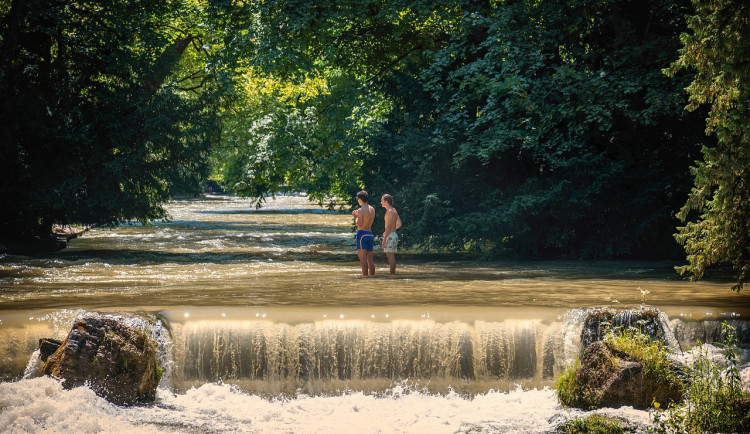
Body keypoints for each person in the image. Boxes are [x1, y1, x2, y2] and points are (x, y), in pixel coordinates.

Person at [352, 190, 375, 276]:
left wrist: (355, 217)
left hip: (362, 234)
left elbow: (359, 223)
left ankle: (365, 279)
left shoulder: (361, 210)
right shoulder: (372, 209)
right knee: (370, 260)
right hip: (370, 233)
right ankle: (372, 278)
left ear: (360, 199)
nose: (357, 200)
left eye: (358, 198)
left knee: (363, 259)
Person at [380, 193, 402, 275]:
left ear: (386, 201)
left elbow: (388, 227)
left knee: (390, 258)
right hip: (394, 235)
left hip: (390, 236)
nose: (381, 202)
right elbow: (399, 224)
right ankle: (392, 275)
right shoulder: (394, 210)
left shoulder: (389, 212)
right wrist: (390, 231)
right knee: (391, 256)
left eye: (382, 200)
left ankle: (392, 276)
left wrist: (384, 239)